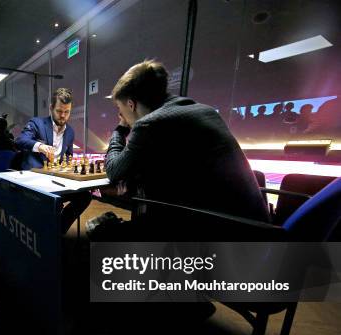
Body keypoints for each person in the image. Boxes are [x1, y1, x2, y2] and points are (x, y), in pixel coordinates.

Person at [103, 59, 269, 238]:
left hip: (221, 232)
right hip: (255, 224)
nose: (122, 117)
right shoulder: (205, 111)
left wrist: (120, 130)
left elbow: (114, 171)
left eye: (120, 111)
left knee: (102, 229)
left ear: (131, 104)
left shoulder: (150, 124)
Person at [16, 88, 92, 233]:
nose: (63, 116)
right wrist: (41, 146)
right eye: (59, 111)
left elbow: (68, 156)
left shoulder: (70, 131)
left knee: (85, 196)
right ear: (51, 108)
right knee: (51, 202)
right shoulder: (37, 123)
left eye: (67, 112)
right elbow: (21, 140)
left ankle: (58, 231)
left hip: (57, 181)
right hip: (36, 182)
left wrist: (70, 168)